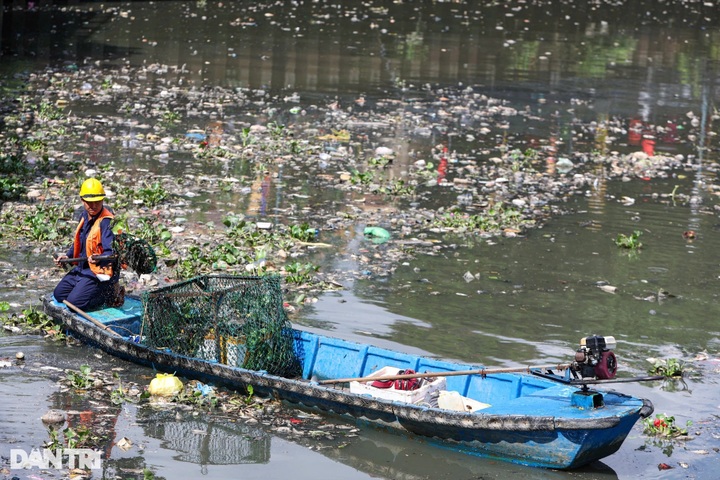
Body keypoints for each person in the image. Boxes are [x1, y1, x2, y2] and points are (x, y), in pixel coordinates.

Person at [53, 178, 120, 310]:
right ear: (82, 201)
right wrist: (68, 257)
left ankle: (110, 293)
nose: (93, 206)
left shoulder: (107, 222)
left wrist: (97, 258)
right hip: (82, 269)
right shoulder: (84, 216)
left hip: (98, 272)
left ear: (102, 200)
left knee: (73, 304)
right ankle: (86, 290)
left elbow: (111, 253)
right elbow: (80, 243)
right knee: (59, 294)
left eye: (97, 202)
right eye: (89, 203)